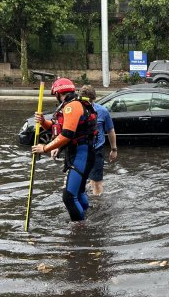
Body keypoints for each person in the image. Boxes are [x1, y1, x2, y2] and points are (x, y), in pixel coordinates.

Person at [31, 78, 97, 222]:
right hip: (81, 153)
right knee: (78, 193)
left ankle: (80, 229)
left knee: (68, 197)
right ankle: (87, 218)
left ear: (57, 92)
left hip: (82, 154)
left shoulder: (72, 106)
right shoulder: (71, 105)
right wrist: (43, 122)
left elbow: (67, 135)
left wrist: (45, 148)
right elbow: (58, 129)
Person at [80, 85, 117, 196]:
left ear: (94, 99)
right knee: (78, 179)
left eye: (89, 101)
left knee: (97, 182)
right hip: (80, 150)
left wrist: (114, 149)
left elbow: (110, 131)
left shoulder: (102, 111)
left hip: (96, 150)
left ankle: (98, 205)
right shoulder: (74, 110)